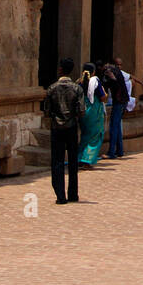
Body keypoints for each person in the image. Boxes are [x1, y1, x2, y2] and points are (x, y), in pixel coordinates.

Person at [44, 58, 85, 204]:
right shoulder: (77, 89)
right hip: (72, 127)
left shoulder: (52, 88)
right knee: (73, 161)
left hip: (57, 127)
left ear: (60, 69)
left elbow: (47, 112)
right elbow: (81, 111)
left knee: (57, 161)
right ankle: (73, 194)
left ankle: (60, 196)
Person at [78, 63, 108, 167]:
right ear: (93, 72)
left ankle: (80, 158)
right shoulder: (95, 81)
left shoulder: (79, 82)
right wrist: (105, 93)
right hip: (94, 111)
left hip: (83, 112)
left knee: (85, 135)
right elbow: (103, 97)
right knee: (95, 136)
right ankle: (87, 160)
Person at [102, 60, 130, 159]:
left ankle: (111, 152)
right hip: (123, 100)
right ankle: (120, 151)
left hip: (119, 101)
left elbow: (113, 80)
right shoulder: (117, 71)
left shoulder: (110, 72)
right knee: (117, 125)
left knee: (114, 126)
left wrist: (108, 76)